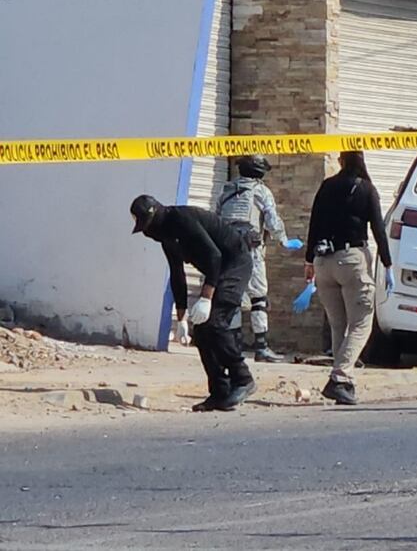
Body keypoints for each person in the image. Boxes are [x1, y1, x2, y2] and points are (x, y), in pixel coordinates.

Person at [130, 194, 257, 412]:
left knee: (215, 322)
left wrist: (206, 297)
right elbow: (177, 275)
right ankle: (219, 392)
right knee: (201, 331)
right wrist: (181, 319)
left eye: (148, 225)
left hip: (235, 262)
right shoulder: (166, 238)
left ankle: (243, 378)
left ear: (156, 215)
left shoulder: (181, 219)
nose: (148, 232)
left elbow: (215, 256)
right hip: (219, 270)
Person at [303, 151, 393, 406]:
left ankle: (346, 383)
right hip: (352, 260)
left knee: (338, 325)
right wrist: (388, 264)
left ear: (341, 161)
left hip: (323, 262)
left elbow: (314, 224)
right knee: (361, 323)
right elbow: (378, 229)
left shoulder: (327, 186)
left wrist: (309, 261)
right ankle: (339, 378)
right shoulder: (366, 189)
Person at [215, 155, 303, 363]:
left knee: (234, 297)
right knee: (258, 297)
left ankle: (234, 346)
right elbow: (272, 220)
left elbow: (217, 219)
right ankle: (261, 347)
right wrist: (284, 240)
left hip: (227, 249)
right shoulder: (261, 191)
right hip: (251, 250)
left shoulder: (227, 190)